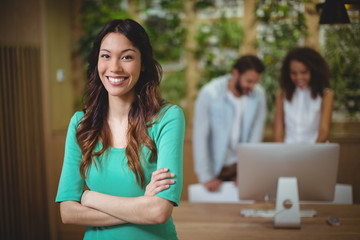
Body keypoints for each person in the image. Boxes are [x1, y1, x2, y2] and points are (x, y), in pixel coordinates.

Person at [55, 19, 185, 240]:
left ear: (143, 62)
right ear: (97, 61)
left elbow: (159, 212)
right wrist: (141, 206)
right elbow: (68, 212)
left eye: (127, 57)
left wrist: (90, 198)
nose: (114, 67)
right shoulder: (81, 124)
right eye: (105, 56)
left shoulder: (167, 118)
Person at [192, 55, 266, 192]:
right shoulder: (209, 93)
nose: (252, 86)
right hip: (215, 167)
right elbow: (200, 136)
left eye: (255, 82)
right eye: (249, 81)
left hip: (241, 166)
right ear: (235, 73)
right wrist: (205, 176)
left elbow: (256, 136)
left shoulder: (259, 95)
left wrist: (247, 172)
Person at [274, 46, 333, 143]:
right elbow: (278, 133)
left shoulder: (326, 95)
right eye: (293, 73)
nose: (298, 77)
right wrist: (282, 154)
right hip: (288, 151)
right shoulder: (282, 94)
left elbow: (324, 131)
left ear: (313, 70)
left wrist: (310, 154)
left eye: (304, 72)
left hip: (315, 151)